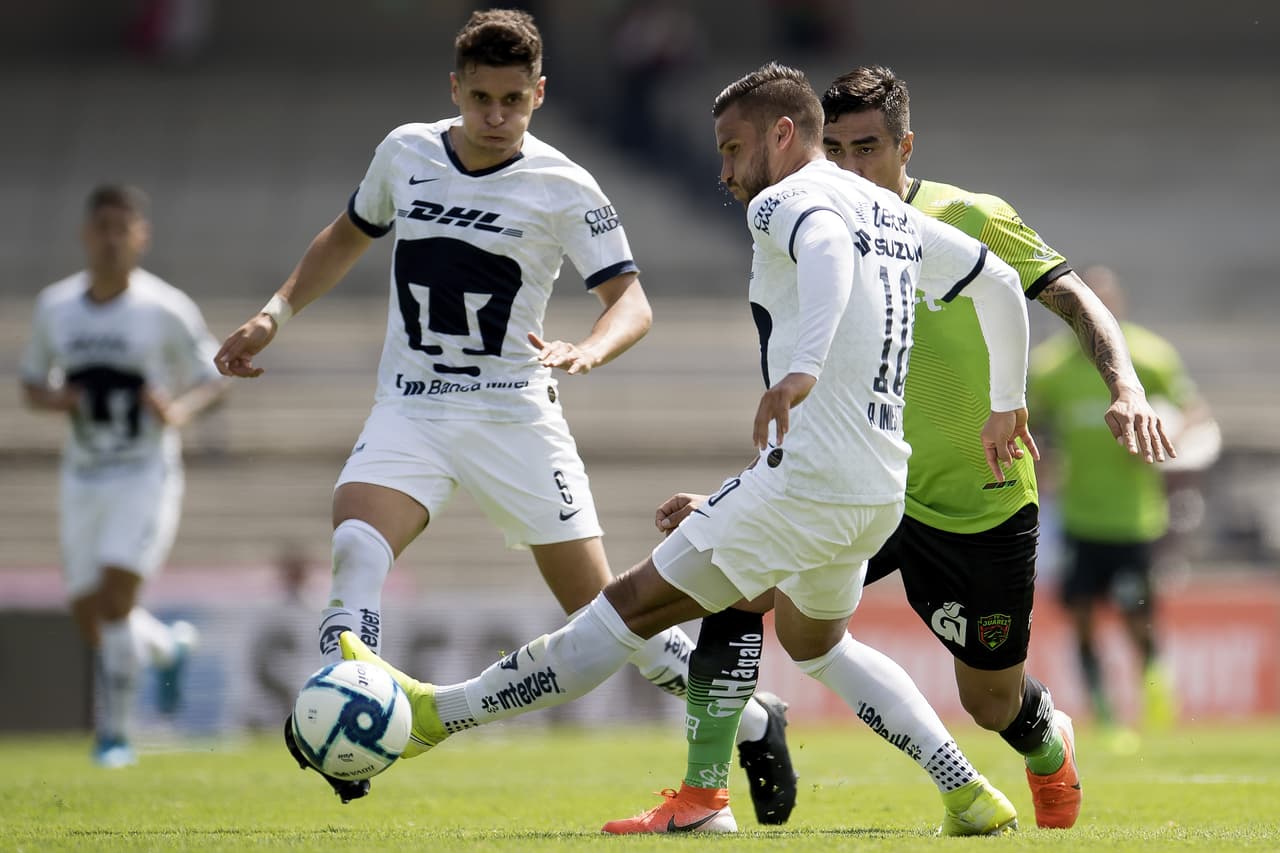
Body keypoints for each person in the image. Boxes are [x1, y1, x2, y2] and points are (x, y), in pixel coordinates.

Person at [334, 61, 1037, 837]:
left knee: (622, 610)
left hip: (809, 481)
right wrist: (1007, 402)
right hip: (877, 487)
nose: (727, 173)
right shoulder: (888, 207)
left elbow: (830, 250)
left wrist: (801, 369)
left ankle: (440, 714)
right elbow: (999, 283)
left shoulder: (788, 199)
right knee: (816, 641)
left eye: (734, 149)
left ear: (781, 133)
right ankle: (965, 788)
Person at [211, 8, 783, 804]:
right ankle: (361, 722)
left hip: (514, 415)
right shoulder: (405, 152)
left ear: (540, 93)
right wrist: (274, 314)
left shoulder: (564, 185)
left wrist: (592, 346)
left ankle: (752, 719)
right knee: (355, 546)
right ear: (455, 88)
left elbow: (632, 301)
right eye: (481, 97)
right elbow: (347, 233)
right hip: (412, 406)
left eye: (513, 99)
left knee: (604, 613)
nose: (495, 116)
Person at [644, 64, 1182, 832]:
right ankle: (705, 793)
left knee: (992, 700)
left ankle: (1044, 740)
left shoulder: (966, 217)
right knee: (750, 589)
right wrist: (747, 499)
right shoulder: (813, 223)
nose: (854, 165)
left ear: (906, 146)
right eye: (839, 147)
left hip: (980, 501)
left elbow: (1071, 294)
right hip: (877, 486)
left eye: (870, 147)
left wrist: (1123, 384)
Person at [19, 184, 224, 767]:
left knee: (113, 600)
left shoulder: (164, 308)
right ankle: (165, 646)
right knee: (89, 613)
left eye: (121, 228)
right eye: (101, 227)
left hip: (144, 473)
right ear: (86, 235)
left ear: (140, 236)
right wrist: (58, 400)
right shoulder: (56, 307)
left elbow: (214, 376)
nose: (110, 240)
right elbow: (32, 383)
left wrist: (178, 411)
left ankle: (116, 735)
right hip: (83, 477)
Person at [1030, 265, 1216, 743]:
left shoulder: (1149, 358)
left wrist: (1172, 437)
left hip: (1135, 518)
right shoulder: (1050, 369)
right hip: (1078, 517)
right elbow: (1027, 421)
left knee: (1139, 620)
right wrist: (1043, 464)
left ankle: (1157, 702)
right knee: (1084, 620)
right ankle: (1106, 717)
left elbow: (1194, 412)